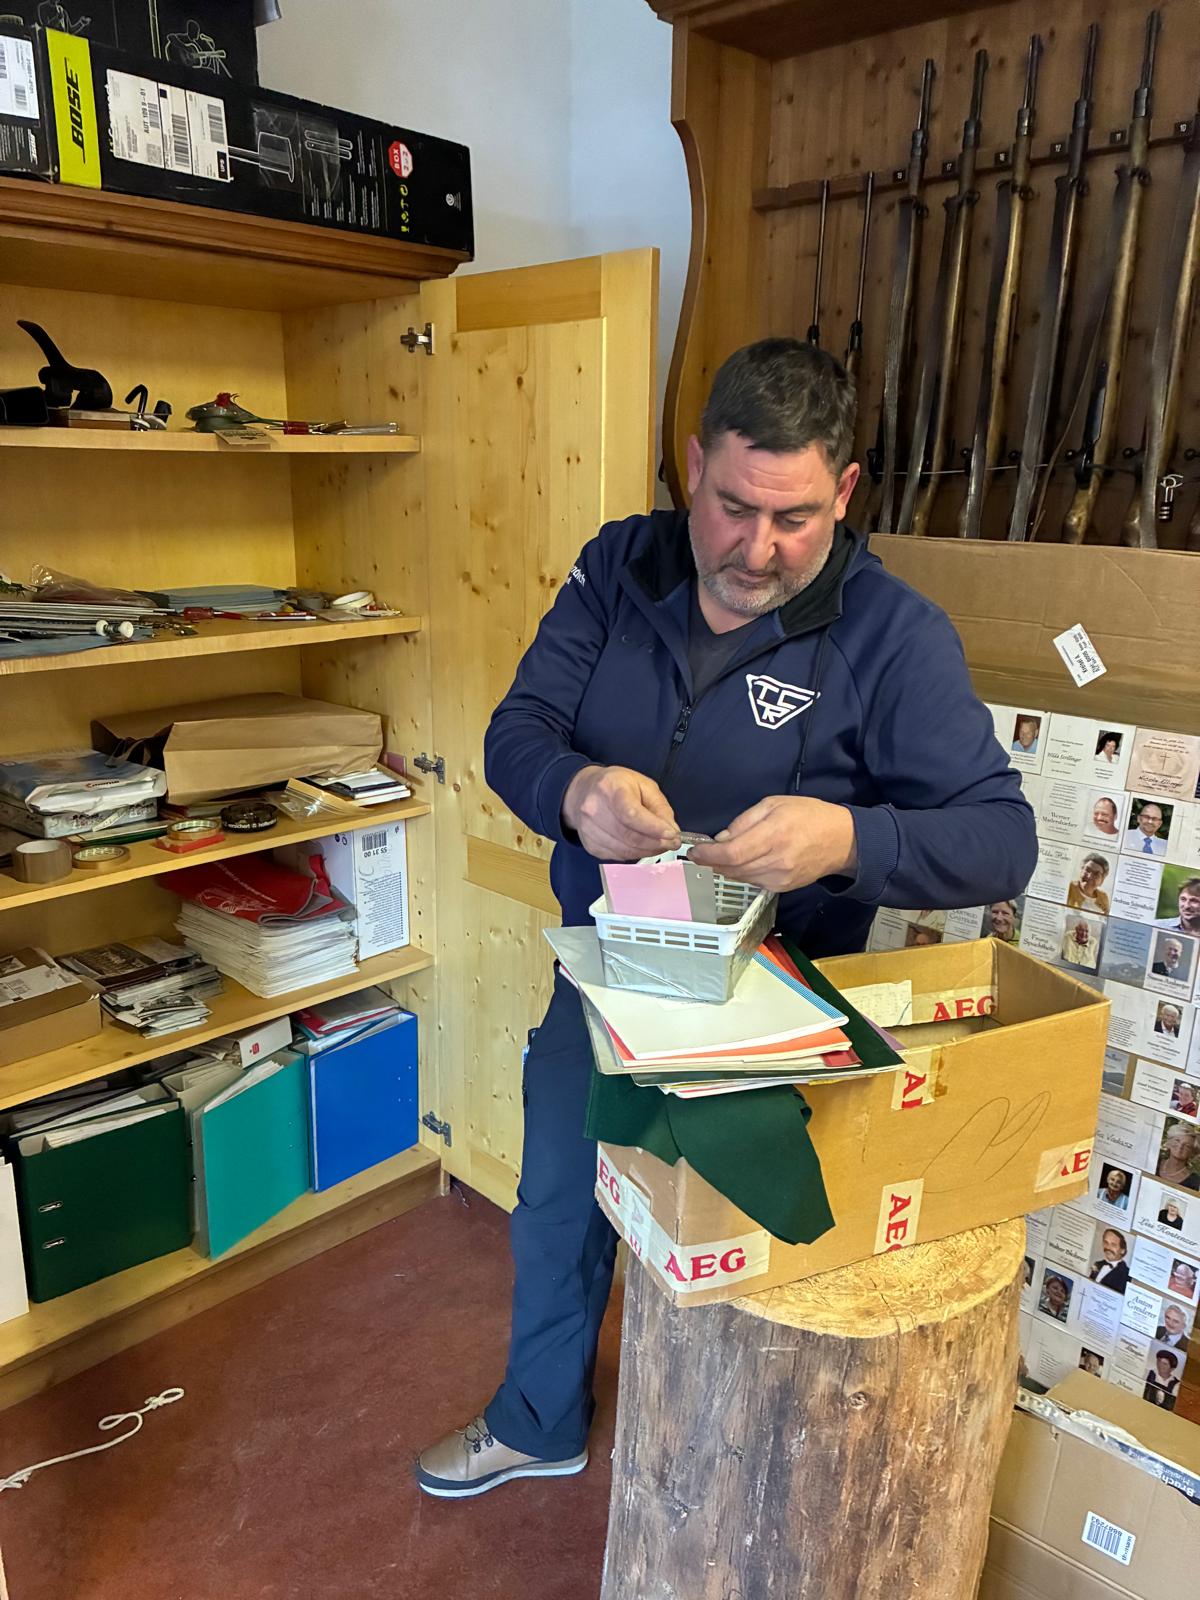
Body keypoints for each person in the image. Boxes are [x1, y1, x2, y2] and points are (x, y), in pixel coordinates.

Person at [414, 338, 1039, 1497]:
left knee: (737, 1258)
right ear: (694, 466)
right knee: (555, 1204)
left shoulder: (894, 635)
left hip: (775, 1014)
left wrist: (847, 840)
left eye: (794, 518)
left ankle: (726, 1493)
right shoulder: (620, 564)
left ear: (844, 491)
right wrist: (576, 792)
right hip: (609, 969)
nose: (757, 549)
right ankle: (540, 1420)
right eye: (733, 507)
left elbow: (1004, 839)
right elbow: (517, 732)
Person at [1158, 1124, 1200, 1191]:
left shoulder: (1195, 1181)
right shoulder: (1155, 1162)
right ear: (1169, 1142)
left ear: (1192, 1153)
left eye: (1187, 1146)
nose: (1180, 1146)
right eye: (1177, 1140)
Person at [1088, 1229, 1129, 1294]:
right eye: (1106, 1242)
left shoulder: (1126, 1274)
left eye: (1113, 1245)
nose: (1108, 1247)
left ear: (1122, 1250)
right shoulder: (1097, 1264)